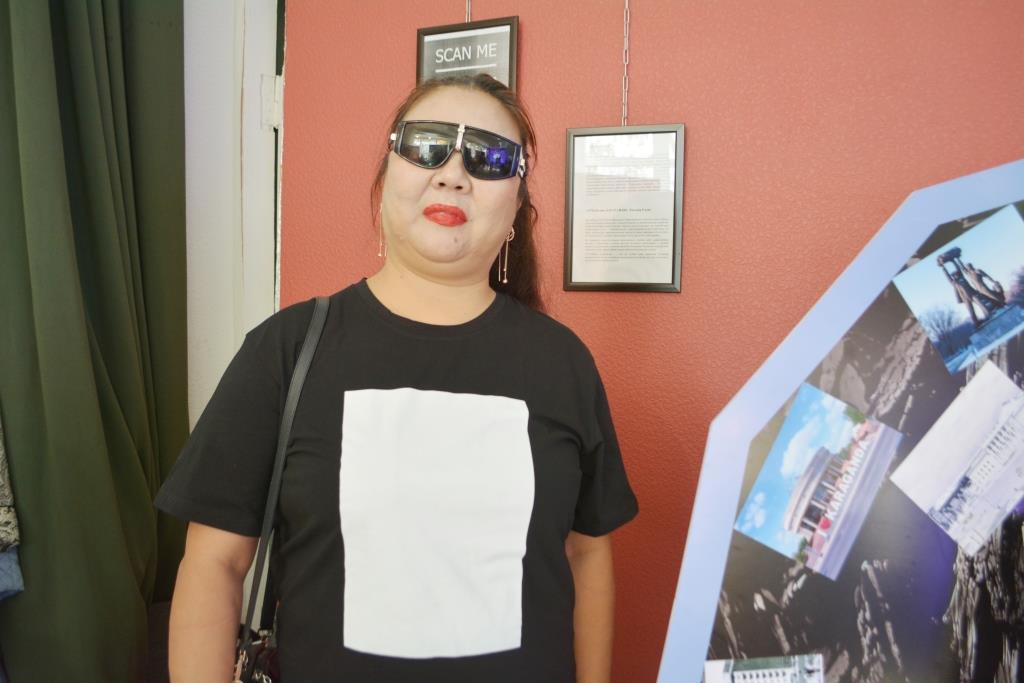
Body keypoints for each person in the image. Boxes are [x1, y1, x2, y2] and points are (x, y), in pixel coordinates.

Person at [156, 73, 638, 682]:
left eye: (490, 158)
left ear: (517, 206)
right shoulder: (286, 349)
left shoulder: (562, 363)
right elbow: (214, 565)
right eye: (427, 145)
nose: (453, 173)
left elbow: (586, 554)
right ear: (385, 177)